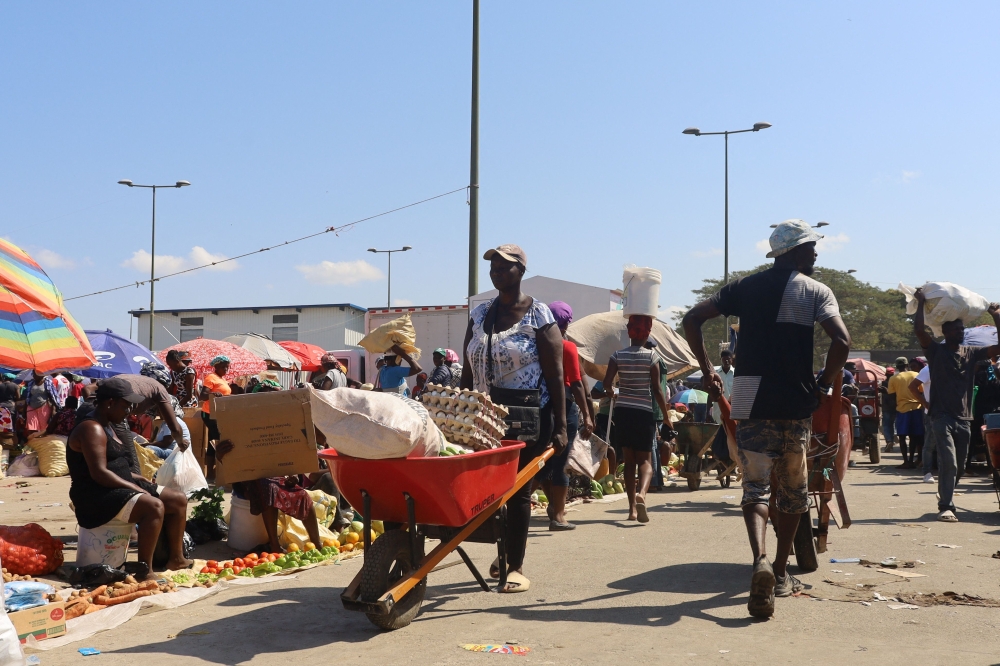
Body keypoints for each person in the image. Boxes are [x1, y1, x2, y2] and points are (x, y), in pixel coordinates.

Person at [682, 219, 851, 619]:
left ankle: (757, 558)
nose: (815, 253)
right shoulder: (816, 291)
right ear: (792, 251)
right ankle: (777, 571)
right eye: (810, 247)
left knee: (755, 487)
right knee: (793, 492)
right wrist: (823, 384)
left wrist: (707, 368)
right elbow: (841, 341)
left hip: (751, 400)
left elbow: (692, 318)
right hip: (796, 402)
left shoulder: (745, 288)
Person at [461, 244, 567, 593]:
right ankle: (506, 550)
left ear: (521, 271)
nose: (497, 272)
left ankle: (516, 566)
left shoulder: (539, 315)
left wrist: (563, 427)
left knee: (518, 491)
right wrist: (459, 406)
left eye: (505, 267)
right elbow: (467, 366)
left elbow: (555, 374)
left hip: (527, 416)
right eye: (493, 267)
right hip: (483, 417)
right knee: (490, 490)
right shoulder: (479, 315)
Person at [67, 378, 192, 575]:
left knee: (178, 500)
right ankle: (146, 570)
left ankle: (176, 559)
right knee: (154, 506)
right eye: (126, 406)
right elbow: (99, 473)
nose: (129, 411)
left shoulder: (108, 424)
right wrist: (134, 487)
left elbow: (112, 464)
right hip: (95, 493)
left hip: (115, 485)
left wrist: (135, 477)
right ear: (110, 403)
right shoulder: (92, 428)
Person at [913, 289, 1000, 522]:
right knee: (949, 461)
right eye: (955, 330)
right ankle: (946, 505)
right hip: (941, 416)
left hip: (965, 419)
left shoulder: (971, 353)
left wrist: (996, 316)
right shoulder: (935, 352)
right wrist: (921, 302)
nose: (960, 333)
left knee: (960, 465)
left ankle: (946, 493)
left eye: (962, 329)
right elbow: (919, 330)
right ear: (945, 332)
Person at [216, 380, 323, 552]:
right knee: (268, 487)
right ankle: (274, 544)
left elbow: (294, 458)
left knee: (302, 495)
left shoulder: (286, 423)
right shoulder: (240, 423)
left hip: (279, 476)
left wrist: (293, 476)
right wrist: (221, 454)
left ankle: (317, 543)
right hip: (249, 480)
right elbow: (231, 464)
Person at [600, 315, 672, 523]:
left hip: (623, 412)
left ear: (629, 332)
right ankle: (643, 493)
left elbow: (606, 383)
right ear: (647, 333)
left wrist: (614, 393)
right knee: (646, 460)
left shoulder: (617, 355)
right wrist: (666, 417)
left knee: (629, 461)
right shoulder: (652, 357)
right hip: (643, 412)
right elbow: (658, 390)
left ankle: (631, 509)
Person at [538, 301, 595, 530]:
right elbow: (577, 384)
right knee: (562, 461)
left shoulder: (536, 344)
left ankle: (552, 504)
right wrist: (588, 415)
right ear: (566, 323)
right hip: (564, 408)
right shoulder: (567, 346)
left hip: (541, 408)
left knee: (541, 459)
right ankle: (559, 515)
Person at [200, 356, 233, 482]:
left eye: (227, 367)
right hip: (209, 414)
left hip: (220, 414)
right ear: (217, 366)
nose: (226, 369)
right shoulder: (211, 377)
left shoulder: (222, 379)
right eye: (224, 367)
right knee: (214, 440)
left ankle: (213, 474)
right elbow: (202, 396)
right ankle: (210, 475)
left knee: (214, 441)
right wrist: (213, 395)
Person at [887, 357, 923, 469]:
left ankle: (906, 462)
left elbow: (892, 396)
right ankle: (913, 460)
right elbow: (921, 392)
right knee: (914, 437)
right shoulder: (916, 375)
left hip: (902, 410)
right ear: (907, 365)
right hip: (917, 408)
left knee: (902, 437)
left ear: (897, 366)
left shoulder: (893, 378)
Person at [707, 350, 736, 467]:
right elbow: (710, 393)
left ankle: (731, 461)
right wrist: (707, 411)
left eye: (728, 359)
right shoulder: (716, 374)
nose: (727, 361)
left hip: (732, 411)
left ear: (732, 360)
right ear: (721, 359)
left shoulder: (736, 373)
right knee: (721, 438)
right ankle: (722, 459)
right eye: (724, 359)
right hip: (718, 411)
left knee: (731, 438)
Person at [909, 362, 936, 483]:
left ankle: (947, 473)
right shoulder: (928, 370)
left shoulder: (951, 367)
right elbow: (912, 387)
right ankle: (927, 472)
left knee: (946, 444)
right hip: (932, 414)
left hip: (950, 412)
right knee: (930, 443)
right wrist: (925, 403)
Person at [23, 371, 57, 439]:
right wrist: (24, 410)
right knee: (31, 427)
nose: (34, 376)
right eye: (33, 374)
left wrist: (53, 410)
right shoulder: (31, 383)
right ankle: (32, 443)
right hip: (31, 407)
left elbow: (53, 397)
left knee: (44, 428)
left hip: (44, 407)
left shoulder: (48, 382)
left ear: (41, 375)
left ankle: (42, 443)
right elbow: (28, 397)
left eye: (35, 374)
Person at [880, 366, 897, 452]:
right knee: (893, 423)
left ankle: (889, 441)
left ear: (886, 374)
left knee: (886, 425)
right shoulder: (896, 382)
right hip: (896, 406)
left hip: (886, 407)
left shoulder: (883, 383)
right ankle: (894, 436)